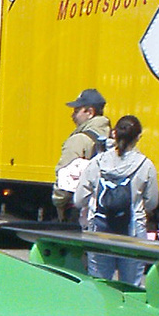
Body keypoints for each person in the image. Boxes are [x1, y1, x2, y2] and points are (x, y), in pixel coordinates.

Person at [75, 114, 158, 286]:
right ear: (138, 137)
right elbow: (151, 203)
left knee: (99, 285)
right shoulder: (146, 165)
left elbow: (79, 199)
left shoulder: (97, 163)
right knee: (131, 286)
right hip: (133, 233)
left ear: (114, 133)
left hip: (99, 233)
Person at [53, 88, 112, 222]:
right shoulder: (113, 138)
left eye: (76, 110)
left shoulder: (79, 140)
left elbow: (64, 181)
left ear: (90, 112)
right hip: (105, 212)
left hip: (79, 212)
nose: (72, 116)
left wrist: (59, 204)